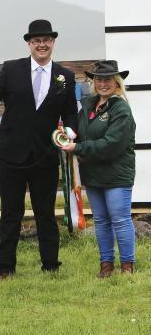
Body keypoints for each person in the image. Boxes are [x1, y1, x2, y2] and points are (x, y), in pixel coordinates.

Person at [0, 19, 77, 279]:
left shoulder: (65, 77)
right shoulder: (11, 70)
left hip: (45, 156)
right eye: (36, 41)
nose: (41, 45)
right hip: (10, 156)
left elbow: (70, 113)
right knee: (11, 213)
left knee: (45, 213)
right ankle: (5, 267)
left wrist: (69, 134)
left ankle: (50, 264)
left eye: (46, 40)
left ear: (53, 42)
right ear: (29, 44)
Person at [61, 60, 136, 277]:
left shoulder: (121, 108)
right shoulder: (88, 105)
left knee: (120, 219)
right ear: (94, 82)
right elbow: (80, 133)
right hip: (93, 173)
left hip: (116, 175)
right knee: (101, 221)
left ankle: (127, 266)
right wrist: (68, 135)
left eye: (108, 79)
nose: (103, 84)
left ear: (117, 82)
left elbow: (111, 145)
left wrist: (77, 147)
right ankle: (106, 265)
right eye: (99, 79)